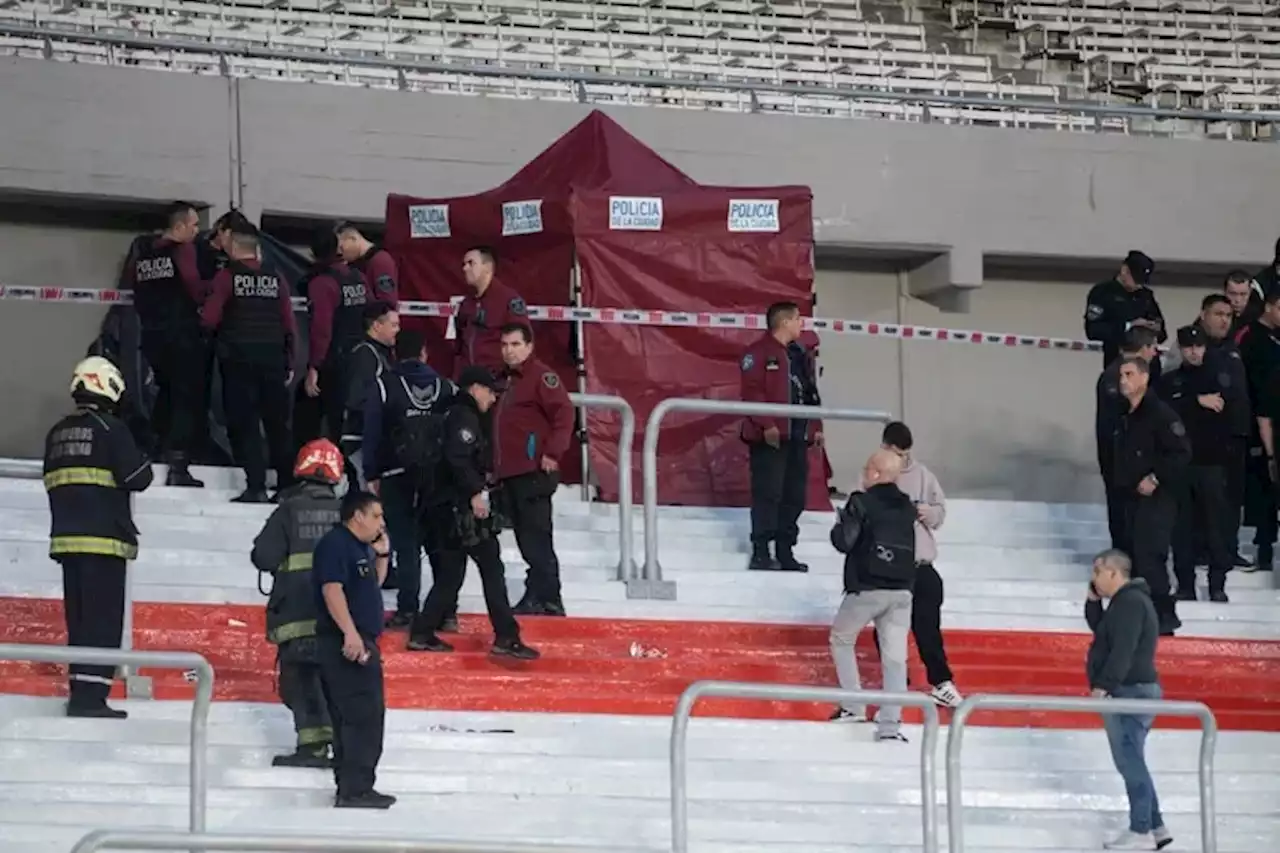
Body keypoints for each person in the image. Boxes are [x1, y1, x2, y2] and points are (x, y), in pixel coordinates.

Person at [43, 356, 154, 719]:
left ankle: (80, 693)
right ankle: (93, 697)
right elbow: (138, 477)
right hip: (104, 541)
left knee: (79, 620)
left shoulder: (57, 432)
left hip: (66, 541)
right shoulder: (111, 429)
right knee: (103, 622)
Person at [407, 367, 539, 660]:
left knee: (451, 573)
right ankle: (506, 636)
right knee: (491, 568)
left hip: (442, 506)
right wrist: (475, 492)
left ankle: (422, 631)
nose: (492, 399)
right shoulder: (463, 417)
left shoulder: (445, 414)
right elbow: (459, 458)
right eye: (490, 391)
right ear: (475, 388)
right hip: (460, 508)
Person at [251, 439, 345, 768]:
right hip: (338, 619)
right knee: (335, 681)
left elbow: (263, 556)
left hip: (295, 616)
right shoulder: (347, 513)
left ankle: (313, 748)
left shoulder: (288, 511)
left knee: (301, 681)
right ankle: (341, 745)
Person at [364, 329, 456, 628]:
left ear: (394, 353)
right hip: (438, 478)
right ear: (424, 353)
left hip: (395, 474)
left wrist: (371, 473)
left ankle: (407, 610)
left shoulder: (383, 385)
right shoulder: (446, 388)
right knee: (439, 545)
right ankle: (446, 613)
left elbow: (373, 432)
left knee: (406, 545)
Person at [201, 228, 297, 503]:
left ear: (233, 248)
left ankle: (255, 486)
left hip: (239, 361)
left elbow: (209, 318)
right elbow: (288, 322)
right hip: (273, 360)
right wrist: (289, 358)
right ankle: (286, 485)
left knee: (246, 425)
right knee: (278, 425)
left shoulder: (227, 277)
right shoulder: (276, 277)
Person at [312, 491, 395, 809]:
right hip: (347, 643)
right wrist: (349, 634)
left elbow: (370, 585)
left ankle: (353, 786)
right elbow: (332, 590)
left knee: (363, 715)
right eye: (376, 516)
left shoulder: (359, 547)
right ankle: (355, 788)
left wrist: (382, 557)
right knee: (362, 716)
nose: (381, 523)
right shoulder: (336, 544)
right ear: (357, 516)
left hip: (359, 639)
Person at [827, 449, 916, 741]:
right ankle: (890, 724)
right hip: (902, 589)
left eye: (866, 469)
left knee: (841, 638)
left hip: (867, 586)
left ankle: (853, 705)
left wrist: (841, 522)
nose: (863, 473)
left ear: (876, 473)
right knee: (895, 659)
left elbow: (844, 541)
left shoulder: (860, 501)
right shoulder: (906, 506)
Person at [1085, 550, 1171, 852]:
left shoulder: (1131, 603)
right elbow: (1103, 634)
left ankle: (1141, 828)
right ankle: (1156, 826)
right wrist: (1093, 602)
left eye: (1097, 572)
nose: (1093, 578)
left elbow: (1123, 650)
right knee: (1134, 759)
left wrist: (1103, 686)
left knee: (1129, 761)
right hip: (1130, 690)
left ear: (1114, 572)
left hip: (1130, 691)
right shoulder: (1123, 603)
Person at [122, 200, 206, 487]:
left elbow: (135, 287)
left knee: (166, 395)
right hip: (181, 334)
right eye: (194, 225)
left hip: (152, 336)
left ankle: (154, 449)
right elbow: (195, 287)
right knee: (185, 398)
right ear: (179, 226)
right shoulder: (183, 251)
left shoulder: (144, 256)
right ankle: (178, 465)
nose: (197, 231)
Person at [877, 422, 961, 707]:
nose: (903, 459)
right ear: (886, 447)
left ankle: (942, 682)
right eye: (897, 452)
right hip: (888, 565)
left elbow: (940, 512)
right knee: (886, 628)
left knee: (927, 627)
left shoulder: (923, 475)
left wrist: (930, 512)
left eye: (905, 453)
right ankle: (895, 680)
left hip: (921, 563)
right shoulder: (874, 473)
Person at [495, 323, 575, 616]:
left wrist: (553, 453)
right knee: (527, 538)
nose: (509, 350)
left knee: (536, 536)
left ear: (529, 346)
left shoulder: (541, 377)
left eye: (515, 344)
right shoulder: (504, 380)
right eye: (505, 345)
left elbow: (565, 413)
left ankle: (548, 598)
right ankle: (540, 595)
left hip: (533, 472)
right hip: (511, 473)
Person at [1158, 326, 1239, 603]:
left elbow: (1231, 411)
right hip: (1181, 466)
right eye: (1189, 347)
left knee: (1216, 527)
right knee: (1181, 529)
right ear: (1180, 349)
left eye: (1199, 346)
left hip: (1212, 464)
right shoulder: (1170, 382)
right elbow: (1164, 412)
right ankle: (1185, 584)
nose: (1194, 351)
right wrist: (1196, 402)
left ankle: (1218, 584)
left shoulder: (1220, 377)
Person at [740, 301, 822, 572]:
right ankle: (761, 551)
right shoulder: (758, 353)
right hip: (771, 438)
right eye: (799, 319)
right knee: (768, 493)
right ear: (785, 322)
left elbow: (811, 394)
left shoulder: (800, 354)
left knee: (794, 496)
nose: (802, 324)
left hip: (798, 436)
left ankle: (785, 552)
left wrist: (816, 427)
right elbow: (751, 392)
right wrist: (766, 425)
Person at [1112, 356, 1191, 636]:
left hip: (1157, 498)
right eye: (1121, 375)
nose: (1123, 381)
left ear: (1144, 378)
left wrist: (1156, 477)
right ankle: (1141, 618)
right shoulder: (1125, 415)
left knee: (1151, 556)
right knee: (1134, 556)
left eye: (1129, 374)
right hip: (1131, 496)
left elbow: (1181, 453)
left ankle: (1164, 617)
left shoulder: (1160, 414)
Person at [299, 226, 369, 446]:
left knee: (310, 419)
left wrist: (314, 367)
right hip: (358, 358)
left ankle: (314, 469)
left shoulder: (322, 283)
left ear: (312, 254)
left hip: (332, 363)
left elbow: (322, 328)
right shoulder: (358, 278)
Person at [1097, 329, 1160, 550]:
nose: (1155, 353)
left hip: (1127, 458)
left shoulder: (1121, 373)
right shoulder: (1117, 377)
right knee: (1124, 517)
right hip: (1121, 459)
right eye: (1153, 347)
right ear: (1143, 348)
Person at [340, 302, 399, 490]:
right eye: (394, 325)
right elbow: (357, 399)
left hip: (370, 440)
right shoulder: (365, 354)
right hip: (359, 440)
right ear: (376, 325)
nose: (398, 330)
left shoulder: (383, 354)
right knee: (362, 501)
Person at [1084, 250, 1166, 382]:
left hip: (1148, 368)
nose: (1139, 285)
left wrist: (1152, 328)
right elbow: (1093, 330)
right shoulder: (1102, 292)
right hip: (1119, 365)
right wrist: (1129, 326)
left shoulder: (1146, 296)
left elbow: (1162, 332)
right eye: (1136, 279)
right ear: (1124, 270)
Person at [454, 246, 529, 375]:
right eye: (464, 264)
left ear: (487, 267)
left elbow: (522, 342)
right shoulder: (467, 303)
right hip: (468, 378)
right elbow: (460, 343)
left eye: (471, 263)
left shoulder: (509, 299)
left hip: (496, 380)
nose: (465, 268)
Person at [337, 222, 399, 305]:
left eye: (342, 247)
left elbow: (387, 300)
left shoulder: (380, 261)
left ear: (353, 238)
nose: (340, 252)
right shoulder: (357, 263)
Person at [1224, 269, 1262, 338]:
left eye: (1243, 294)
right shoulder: (1214, 313)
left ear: (1250, 292)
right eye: (1232, 294)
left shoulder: (1261, 318)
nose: (1238, 300)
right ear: (1225, 292)